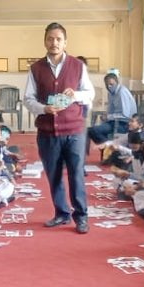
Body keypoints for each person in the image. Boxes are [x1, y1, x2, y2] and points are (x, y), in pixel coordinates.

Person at [24, 22, 95, 234]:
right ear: (45, 41)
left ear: (65, 42)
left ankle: (81, 216)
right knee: (53, 174)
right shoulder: (36, 68)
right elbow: (28, 99)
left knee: (76, 175)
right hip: (47, 132)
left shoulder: (77, 66)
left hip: (74, 131)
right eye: (50, 39)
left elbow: (90, 93)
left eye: (58, 39)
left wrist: (77, 95)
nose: (54, 43)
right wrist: (44, 108)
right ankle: (61, 213)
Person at [86, 73, 137, 149]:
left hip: (123, 124)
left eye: (111, 84)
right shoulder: (111, 93)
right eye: (107, 85)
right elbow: (111, 111)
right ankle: (108, 148)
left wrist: (109, 117)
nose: (109, 86)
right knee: (90, 130)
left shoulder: (122, 92)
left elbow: (125, 115)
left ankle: (109, 147)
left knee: (94, 131)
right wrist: (106, 117)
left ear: (117, 82)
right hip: (114, 121)